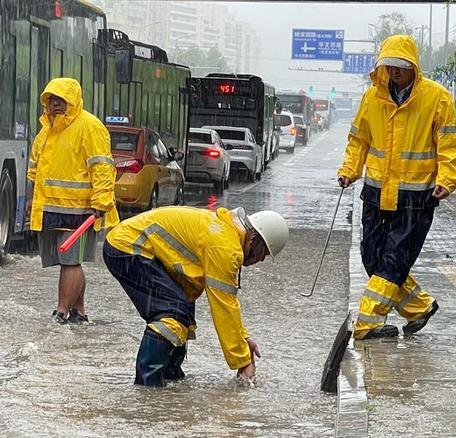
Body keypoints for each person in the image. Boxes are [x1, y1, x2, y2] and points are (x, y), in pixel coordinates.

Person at [337, 34, 456, 340]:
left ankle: (367, 323)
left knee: (393, 261)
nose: (393, 71)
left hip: (416, 198)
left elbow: (447, 144)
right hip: (376, 194)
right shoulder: (372, 98)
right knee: (373, 257)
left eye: (399, 66)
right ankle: (418, 307)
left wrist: (447, 180)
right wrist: (349, 171)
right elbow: (359, 140)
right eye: (388, 65)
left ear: (413, 67)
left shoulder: (437, 98)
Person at [103, 206, 289, 387]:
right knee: (172, 313)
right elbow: (223, 307)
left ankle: (170, 378)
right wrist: (243, 362)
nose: (261, 260)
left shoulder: (227, 234)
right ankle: (148, 387)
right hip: (127, 247)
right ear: (253, 239)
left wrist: (243, 338)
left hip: (132, 245)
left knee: (182, 310)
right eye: (263, 253)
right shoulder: (225, 247)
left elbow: (229, 304)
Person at [27, 78, 119, 324]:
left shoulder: (90, 126)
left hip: (81, 211)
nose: (56, 105)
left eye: (61, 100)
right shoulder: (46, 129)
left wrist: (100, 204)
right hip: (51, 209)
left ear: (73, 101)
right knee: (68, 262)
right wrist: (31, 201)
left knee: (70, 263)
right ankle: (79, 310)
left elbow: (102, 167)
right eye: (51, 100)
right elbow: (35, 171)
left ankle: (62, 311)